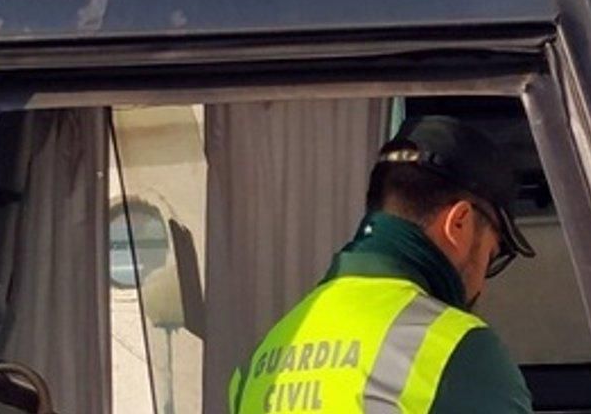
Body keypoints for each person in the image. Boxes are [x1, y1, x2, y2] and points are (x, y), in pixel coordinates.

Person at [229, 115, 535, 413]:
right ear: (459, 224)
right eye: (491, 258)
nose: (481, 285)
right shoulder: (460, 351)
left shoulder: (260, 358)